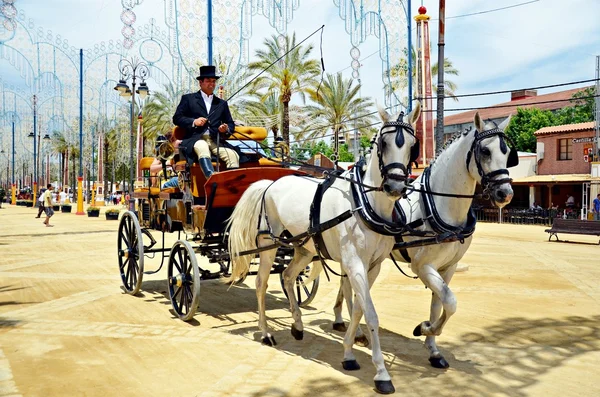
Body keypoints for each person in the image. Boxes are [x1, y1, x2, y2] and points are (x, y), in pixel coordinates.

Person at [172, 65, 239, 179]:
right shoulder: (189, 99)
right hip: (195, 139)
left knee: (233, 155)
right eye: (208, 81)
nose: (211, 84)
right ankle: (212, 180)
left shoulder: (221, 103)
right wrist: (194, 121)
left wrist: (225, 128)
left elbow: (230, 124)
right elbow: (177, 118)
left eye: (213, 81)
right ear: (200, 82)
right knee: (202, 147)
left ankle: (230, 187)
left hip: (214, 140)